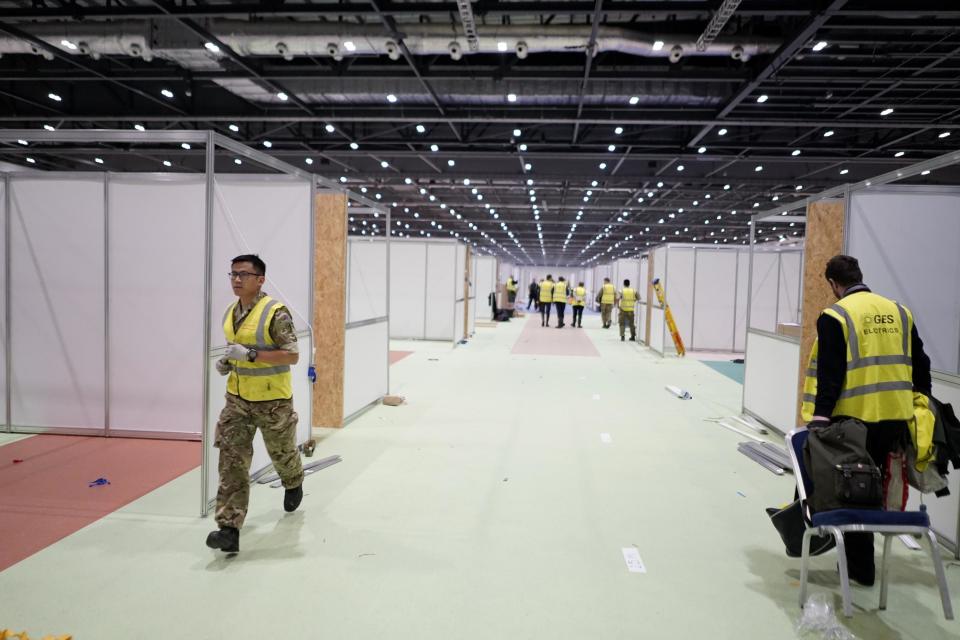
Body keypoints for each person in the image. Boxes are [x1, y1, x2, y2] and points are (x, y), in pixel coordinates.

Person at [800, 255, 932, 587]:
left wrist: (819, 419)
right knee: (880, 489)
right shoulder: (900, 311)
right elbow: (922, 364)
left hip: (853, 422)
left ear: (833, 283)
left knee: (853, 491)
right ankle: (863, 565)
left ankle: (860, 569)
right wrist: (922, 404)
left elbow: (831, 374)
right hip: (895, 419)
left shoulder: (836, 315)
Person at [207, 254, 305, 554]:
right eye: (233, 274)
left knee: (283, 453)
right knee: (232, 462)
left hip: (273, 401)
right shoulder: (230, 311)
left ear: (260, 280)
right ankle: (228, 529)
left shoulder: (276, 313)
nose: (237, 279)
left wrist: (250, 356)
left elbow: (291, 355)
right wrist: (229, 362)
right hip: (237, 399)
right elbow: (237, 348)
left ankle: (292, 480)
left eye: (244, 274)